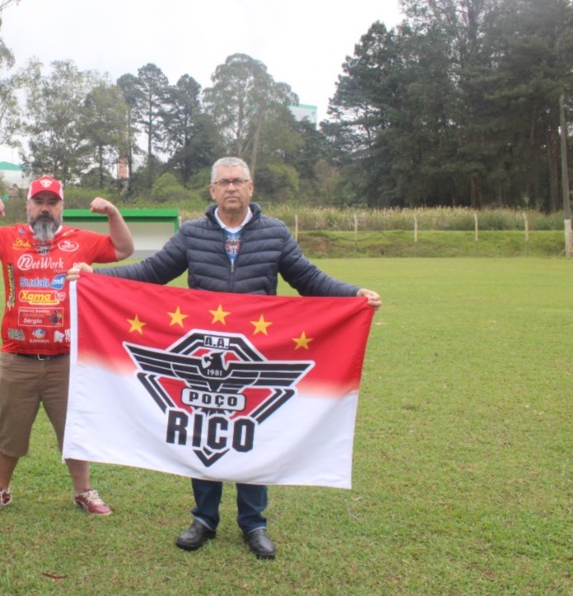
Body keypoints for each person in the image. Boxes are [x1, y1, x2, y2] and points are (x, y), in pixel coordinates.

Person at [69, 157, 382, 559]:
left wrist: (353, 295)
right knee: (204, 430)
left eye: (239, 181)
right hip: (205, 351)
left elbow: (309, 279)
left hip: (254, 352)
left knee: (253, 431)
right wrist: (96, 278)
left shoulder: (275, 233)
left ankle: (254, 524)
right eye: (224, 182)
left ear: (251, 188)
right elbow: (152, 271)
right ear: (212, 190)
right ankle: (204, 519)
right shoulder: (193, 233)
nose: (231, 187)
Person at [0, 176, 135, 517]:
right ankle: (0, 489)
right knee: (10, 430)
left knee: (74, 429)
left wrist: (113, 213)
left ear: (61, 207)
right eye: (38, 201)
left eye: (51, 202)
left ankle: (83, 490)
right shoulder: (9, 236)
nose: (44, 208)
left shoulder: (79, 241)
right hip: (17, 356)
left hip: (67, 359)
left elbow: (124, 249)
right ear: (27, 205)